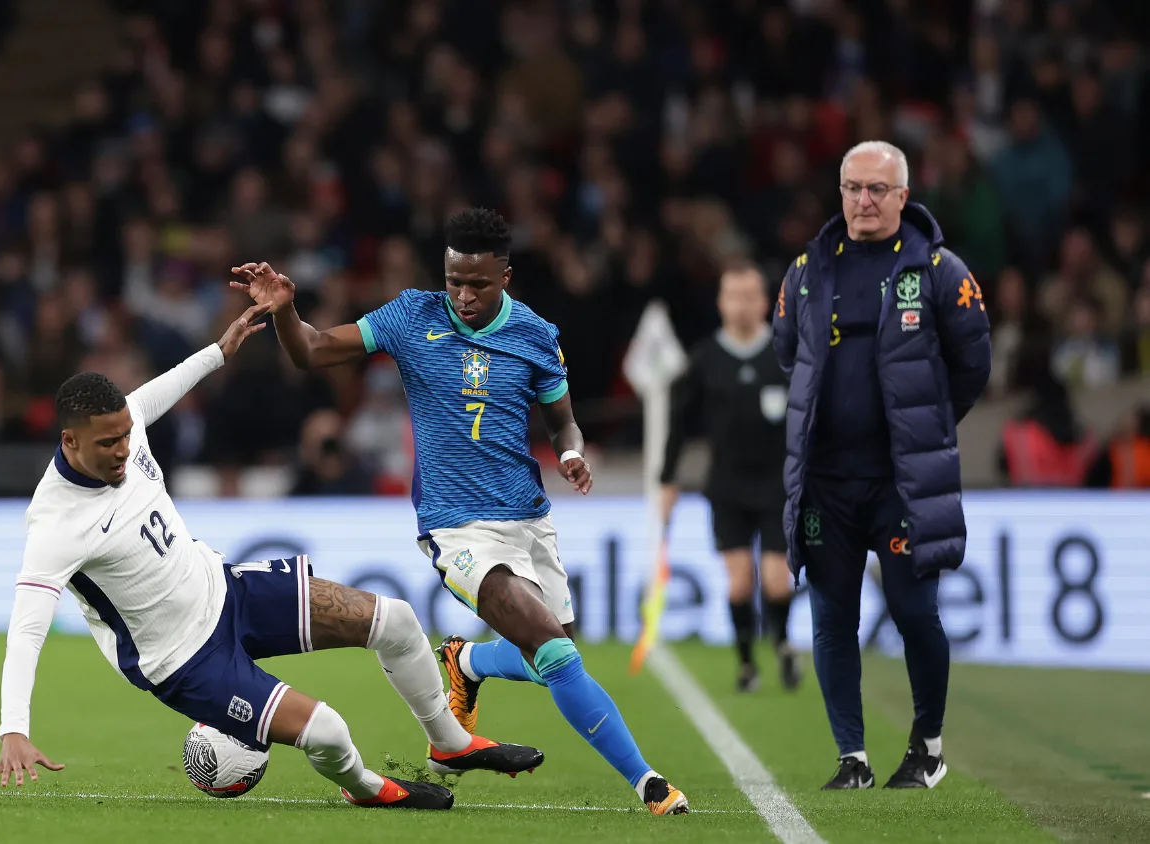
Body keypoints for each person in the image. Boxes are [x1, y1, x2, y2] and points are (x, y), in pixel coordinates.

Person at [0, 302, 544, 809]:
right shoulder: (55, 523)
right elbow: (26, 631)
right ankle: (369, 789)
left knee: (396, 620)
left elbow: (159, 391)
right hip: (185, 661)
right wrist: (14, 728)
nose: (124, 449)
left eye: (127, 434)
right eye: (109, 443)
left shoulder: (125, 429)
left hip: (229, 591)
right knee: (327, 730)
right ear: (69, 441)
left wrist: (219, 352)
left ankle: (448, 742)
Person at [231, 208, 689, 815]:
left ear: (505, 274)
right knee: (556, 652)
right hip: (456, 525)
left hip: (528, 518)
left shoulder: (534, 334)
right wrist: (286, 309)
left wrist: (572, 452)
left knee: (555, 653)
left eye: (478, 283)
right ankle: (650, 784)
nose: (464, 296)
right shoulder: (411, 316)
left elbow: (561, 419)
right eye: (454, 282)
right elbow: (312, 351)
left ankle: (466, 659)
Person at [773, 141, 991, 790]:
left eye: (876, 189)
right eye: (852, 188)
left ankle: (928, 745)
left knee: (914, 610)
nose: (862, 201)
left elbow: (974, 364)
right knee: (832, 615)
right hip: (826, 483)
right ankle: (854, 759)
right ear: (838, 192)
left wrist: (923, 427)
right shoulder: (807, 271)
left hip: (901, 481)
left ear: (903, 196)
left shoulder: (942, 271)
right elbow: (791, 356)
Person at [659, 259, 798, 693]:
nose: (741, 305)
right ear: (721, 302)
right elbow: (679, 425)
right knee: (739, 580)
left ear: (765, 302)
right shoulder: (704, 359)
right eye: (732, 296)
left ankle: (780, 641)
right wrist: (668, 480)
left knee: (778, 580)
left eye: (749, 296)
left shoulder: (785, 356)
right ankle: (745, 663)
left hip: (778, 486)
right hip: (727, 487)